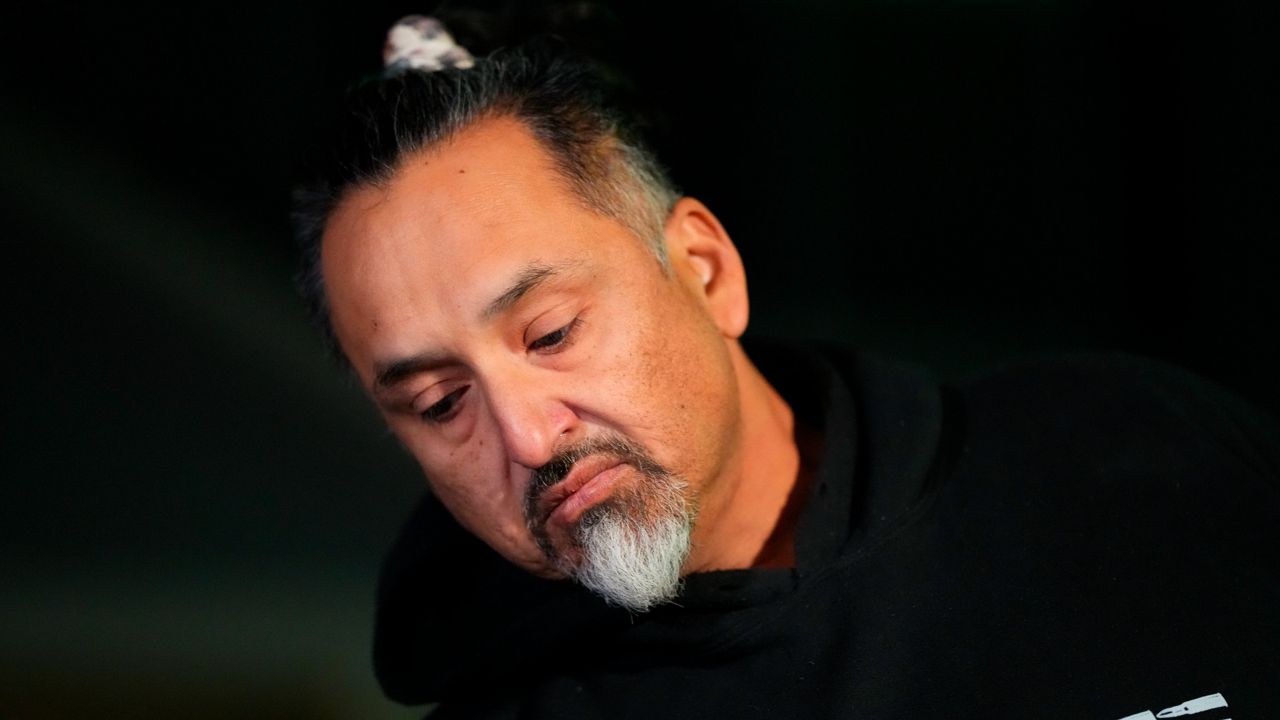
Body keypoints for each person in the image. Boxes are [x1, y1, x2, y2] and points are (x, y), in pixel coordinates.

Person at [293, 16, 1280, 719]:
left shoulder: (1135, 462)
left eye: (550, 333)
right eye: (438, 401)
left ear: (706, 272)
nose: (522, 435)